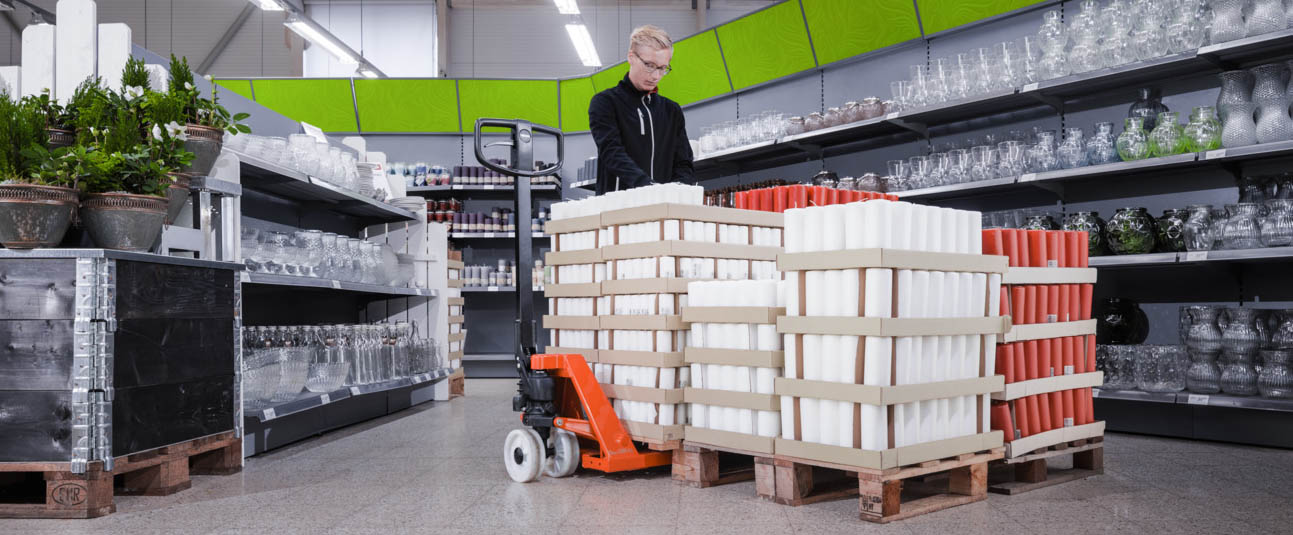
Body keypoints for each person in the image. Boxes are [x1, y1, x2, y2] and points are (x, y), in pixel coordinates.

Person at [588, 25, 694, 195]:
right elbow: (612, 153)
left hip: (663, 209)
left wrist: (678, 191)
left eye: (662, 68)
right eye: (649, 65)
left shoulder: (671, 111)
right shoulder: (605, 103)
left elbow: (683, 162)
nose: (656, 76)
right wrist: (648, 188)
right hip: (618, 208)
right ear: (631, 57)